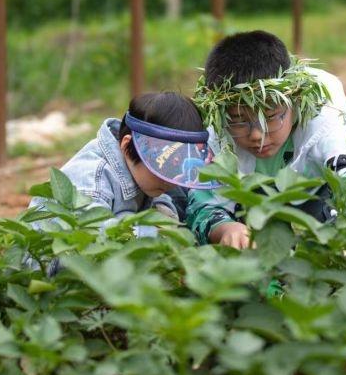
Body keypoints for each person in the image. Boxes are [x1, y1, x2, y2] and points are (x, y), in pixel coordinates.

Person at [188, 30, 346, 249]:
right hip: (253, 206)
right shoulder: (216, 129)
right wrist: (227, 228)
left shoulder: (322, 104)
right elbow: (203, 203)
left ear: (296, 99)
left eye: (270, 118)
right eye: (239, 121)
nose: (256, 135)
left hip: (319, 194)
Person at [27, 91, 218, 262]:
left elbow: (161, 199)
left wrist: (164, 214)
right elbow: (93, 240)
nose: (170, 180)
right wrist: (156, 235)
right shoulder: (92, 182)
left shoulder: (145, 176)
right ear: (127, 147)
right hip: (50, 268)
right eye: (162, 169)